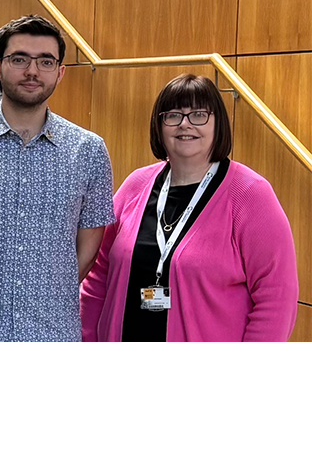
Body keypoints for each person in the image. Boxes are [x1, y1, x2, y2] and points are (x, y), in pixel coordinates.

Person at [81, 74, 298, 341]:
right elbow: (98, 277)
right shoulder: (135, 185)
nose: (185, 124)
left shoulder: (250, 194)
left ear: (218, 123)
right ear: (159, 126)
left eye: (198, 114)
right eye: (173, 115)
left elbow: (276, 296)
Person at [0, 15, 114, 342]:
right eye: (20, 59)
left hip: (53, 333)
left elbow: (87, 249)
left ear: (61, 72)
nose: (32, 71)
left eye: (46, 61)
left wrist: (46, 290)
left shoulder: (88, 150)